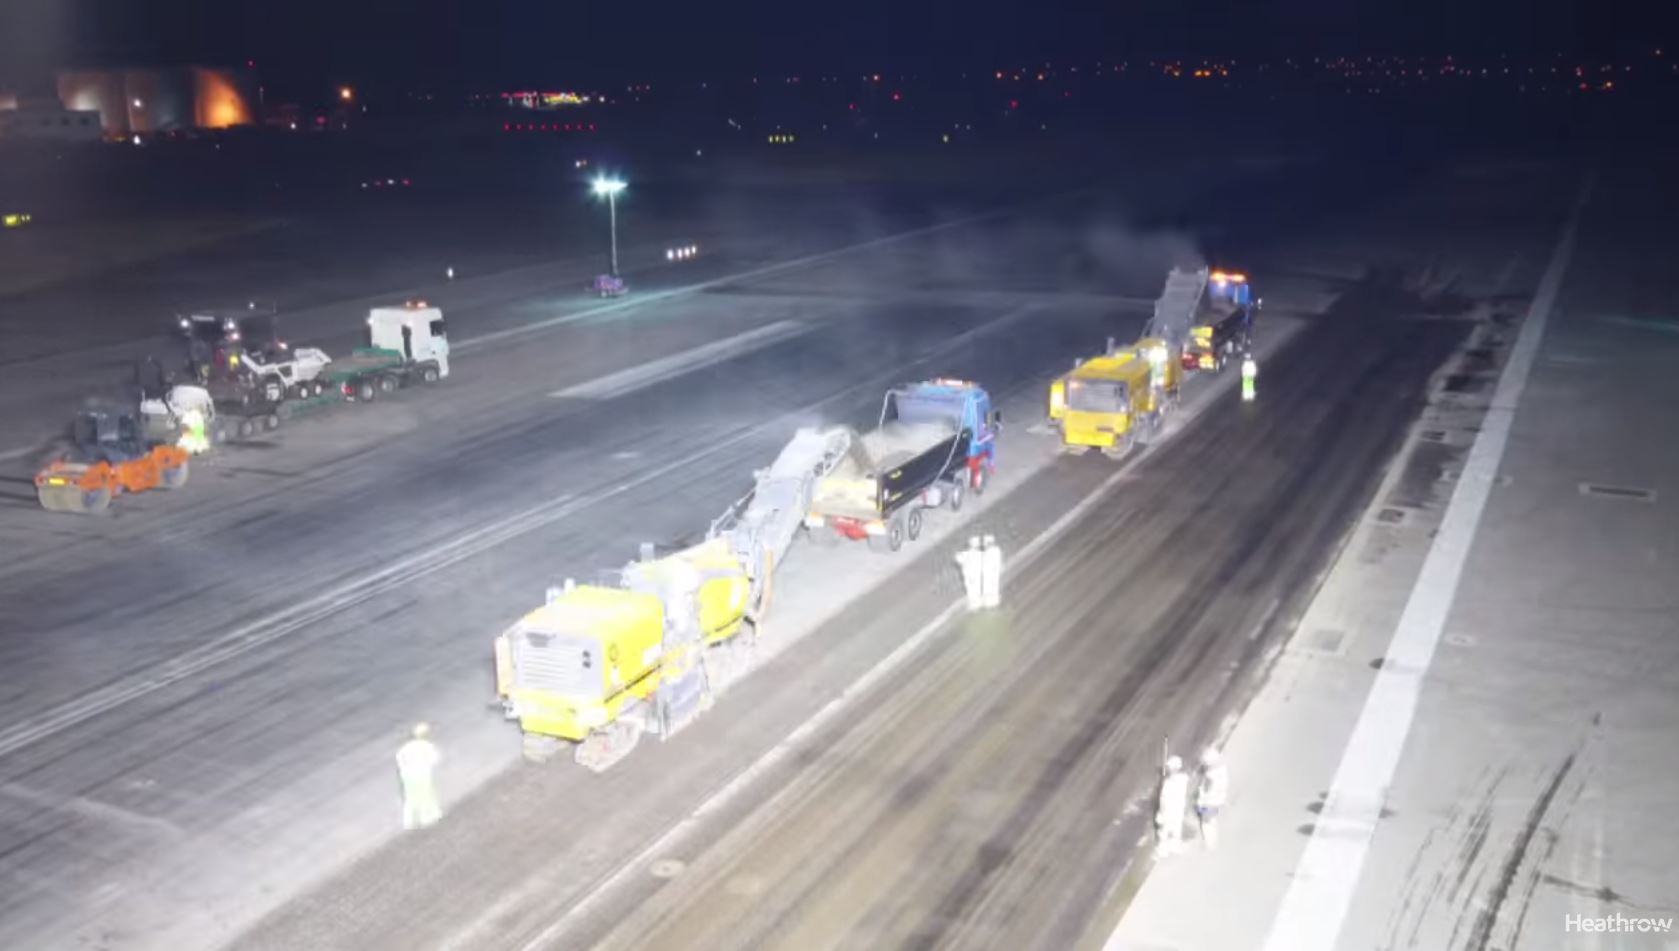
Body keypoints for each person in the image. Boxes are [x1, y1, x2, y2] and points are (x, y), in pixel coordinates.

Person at [397, 722, 443, 830]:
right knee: (426, 796)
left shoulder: (406, 747)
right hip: (422, 774)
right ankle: (427, 818)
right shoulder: (427, 746)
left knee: (410, 799)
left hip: (407, 776)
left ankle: (408, 822)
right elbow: (435, 759)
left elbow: (399, 760)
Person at [1196, 747, 1230, 850]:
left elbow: (1206, 789)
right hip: (1217, 801)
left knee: (1206, 822)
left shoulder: (1210, 776)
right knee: (1211, 821)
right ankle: (1212, 842)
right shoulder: (1222, 770)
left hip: (1209, 803)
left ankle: (1209, 844)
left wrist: (1200, 802)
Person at [1156, 755, 1189, 857]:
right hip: (1179, 808)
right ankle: (1175, 847)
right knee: (1176, 828)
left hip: (1169, 810)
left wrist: (1160, 813)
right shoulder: (1184, 778)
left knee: (1164, 830)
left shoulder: (1168, 783)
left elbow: (1164, 800)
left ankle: (1162, 850)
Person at [955, 537, 983, 611]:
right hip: (976, 574)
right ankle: (977, 603)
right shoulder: (979, 553)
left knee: (971, 590)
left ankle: (974, 605)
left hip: (970, 575)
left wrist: (958, 554)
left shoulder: (966, 554)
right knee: (976, 589)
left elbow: (958, 559)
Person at [980, 534, 1003, 609]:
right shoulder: (991, 551)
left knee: (991, 586)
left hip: (992, 571)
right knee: (989, 586)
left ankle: (991, 602)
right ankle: (990, 602)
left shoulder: (994, 551)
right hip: (990, 571)